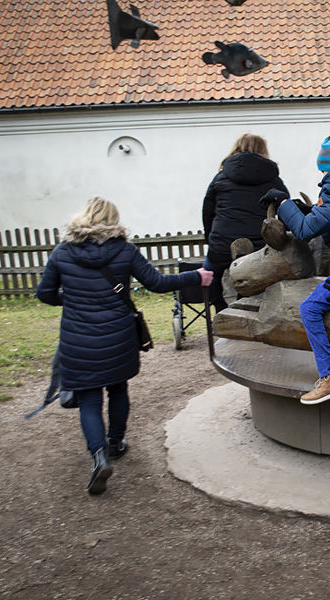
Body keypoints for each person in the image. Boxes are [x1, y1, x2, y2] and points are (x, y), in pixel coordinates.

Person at [35, 197, 213, 494]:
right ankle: (116, 443)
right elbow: (156, 283)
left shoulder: (62, 252)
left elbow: (44, 294)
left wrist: (74, 299)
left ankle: (99, 456)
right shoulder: (124, 249)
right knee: (118, 389)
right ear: (113, 220)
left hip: (79, 339)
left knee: (89, 400)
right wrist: (196, 275)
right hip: (117, 336)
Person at [270, 135, 330, 404]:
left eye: (323, 170)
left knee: (310, 308)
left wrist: (283, 204)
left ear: (328, 166)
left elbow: (304, 230)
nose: (322, 175)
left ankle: (329, 377)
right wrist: (310, 209)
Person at [202, 133, 288, 312]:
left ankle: (220, 310)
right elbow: (285, 211)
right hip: (259, 246)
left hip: (222, 245)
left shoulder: (220, 178)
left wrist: (211, 239)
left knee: (210, 275)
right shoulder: (273, 180)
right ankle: (255, 309)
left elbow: (207, 213)